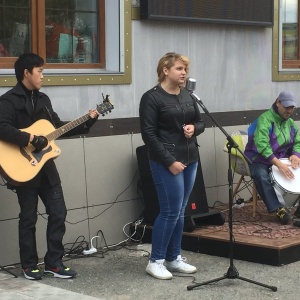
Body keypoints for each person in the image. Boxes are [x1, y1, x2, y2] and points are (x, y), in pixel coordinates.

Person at [0, 53, 99, 280]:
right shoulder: (8, 101)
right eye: (40, 71)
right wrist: (30, 138)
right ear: (26, 73)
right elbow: (1, 127)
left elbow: (56, 128)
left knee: (58, 212)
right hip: (23, 168)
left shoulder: (43, 100)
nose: (43, 75)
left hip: (45, 168)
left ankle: (54, 262)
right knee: (28, 218)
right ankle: (29, 265)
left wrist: (87, 122)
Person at [139, 52, 205, 280]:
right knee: (169, 211)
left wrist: (194, 128)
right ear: (165, 70)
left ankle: (173, 258)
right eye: (179, 68)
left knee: (180, 210)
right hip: (166, 161)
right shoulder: (152, 98)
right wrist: (170, 162)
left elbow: (200, 121)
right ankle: (155, 260)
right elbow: (148, 134)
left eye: (185, 69)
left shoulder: (188, 94)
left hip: (190, 158)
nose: (184, 73)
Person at [244, 91, 300, 225]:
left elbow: (297, 142)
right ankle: (278, 209)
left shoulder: (291, 123)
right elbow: (261, 145)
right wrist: (278, 164)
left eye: (292, 108)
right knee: (261, 175)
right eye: (286, 107)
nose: (289, 111)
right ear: (278, 102)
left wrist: (295, 154)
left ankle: (299, 211)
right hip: (258, 157)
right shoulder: (265, 119)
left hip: (282, 157)